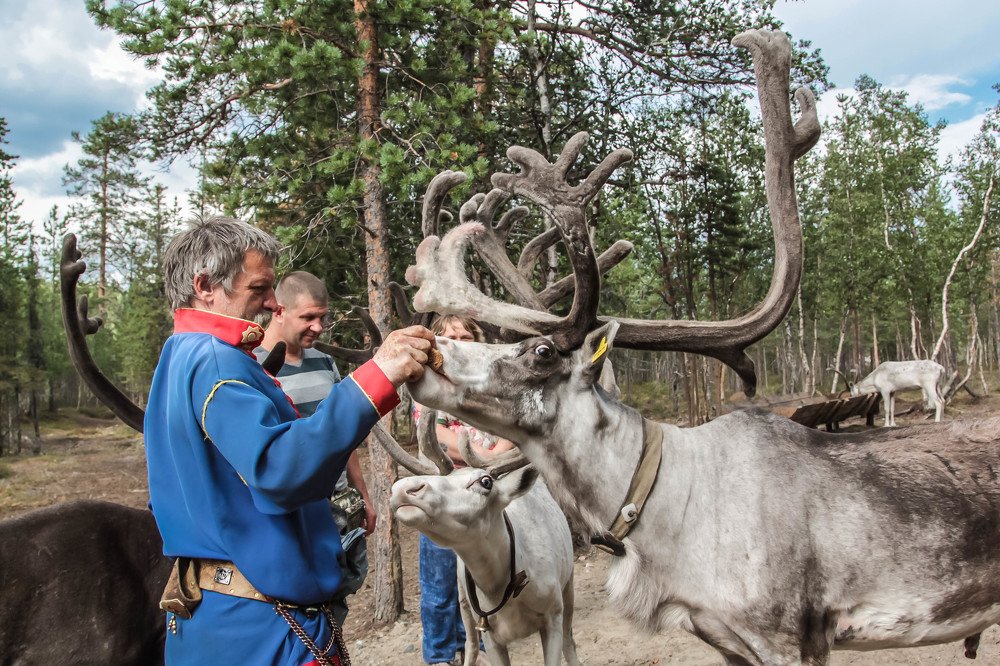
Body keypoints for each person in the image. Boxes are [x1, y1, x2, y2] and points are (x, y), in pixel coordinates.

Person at [144, 216, 435, 666]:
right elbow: (279, 470)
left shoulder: (178, 354)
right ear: (205, 285)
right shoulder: (218, 363)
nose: (271, 302)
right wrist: (378, 376)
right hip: (262, 631)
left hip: (216, 619)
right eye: (259, 287)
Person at [252, 271, 376, 625]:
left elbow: (343, 434)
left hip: (337, 508)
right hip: (291, 511)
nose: (319, 327)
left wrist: (362, 493)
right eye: (308, 317)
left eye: (323, 317)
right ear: (278, 310)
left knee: (337, 597)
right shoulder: (251, 365)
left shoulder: (324, 362)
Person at [413, 315, 514, 666]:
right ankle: (441, 654)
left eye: (465, 335)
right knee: (440, 582)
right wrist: (482, 455)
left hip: (486, 496)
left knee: (483, 578)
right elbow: (434, 436)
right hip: (443, 498)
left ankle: (479, 647)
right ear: (437, 343)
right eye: (450, 336)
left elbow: (508, 424)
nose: (459, 340)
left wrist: (492, 457)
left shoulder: (489, 383)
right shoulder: (426, 384)